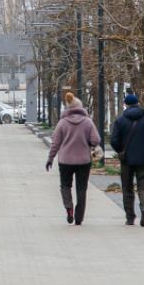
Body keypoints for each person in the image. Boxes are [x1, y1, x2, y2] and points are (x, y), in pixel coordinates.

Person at [45, 92, 101, 225]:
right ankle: (79, 217)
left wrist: (50, 159)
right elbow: (96, 140)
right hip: (84, 161)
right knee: (81, 189)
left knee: (65, 186)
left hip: (65, 161)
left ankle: (69, 208)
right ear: (80, 107)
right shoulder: (88, 122)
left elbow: (55, 143)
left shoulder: (62, 123)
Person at [110, 94, 144, 226]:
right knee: (143, 185)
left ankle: (130, 217)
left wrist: (120, 151)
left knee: (127, 187)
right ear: (138, 103)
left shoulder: (120, 120)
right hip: (143, 158)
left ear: (125, 104)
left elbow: (114, 140)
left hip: (126, 159)